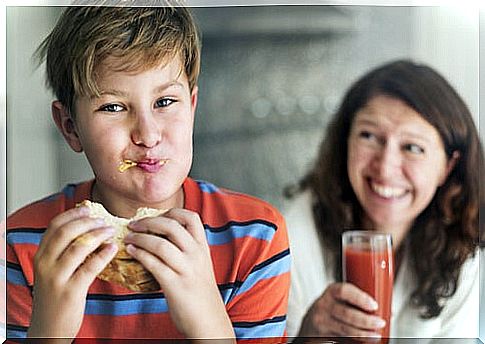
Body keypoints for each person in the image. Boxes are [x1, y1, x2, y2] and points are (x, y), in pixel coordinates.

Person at [6, 3, 290, 341]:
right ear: (70, 127)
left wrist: (209, 324)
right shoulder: (20, 244)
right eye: (113, 107)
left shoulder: (254, 238)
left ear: (192, 106)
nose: (148, 135)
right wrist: (48, 332)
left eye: (165, 102)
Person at [284, 60, 483, 340]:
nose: (385, 168)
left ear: (447, 167)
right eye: (369, 136)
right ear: (346, 143)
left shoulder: (460, 241)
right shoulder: (293, 235)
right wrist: (306, 336)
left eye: (412, 147)